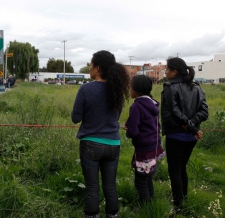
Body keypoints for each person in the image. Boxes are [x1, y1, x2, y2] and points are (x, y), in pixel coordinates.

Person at [71, 50, 130, 218]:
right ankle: (113, 215)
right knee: (110, 186)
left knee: (92, 187)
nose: (89, 68)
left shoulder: (86, 89)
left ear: (97, 68)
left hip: (90, 144)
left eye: (90, 65)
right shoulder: (116, 90)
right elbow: (116, 117)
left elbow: (76, 118)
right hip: (113, 145)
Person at [161, 57, 208, 215]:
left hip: (176, 135)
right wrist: (193, 125)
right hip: (190, 138)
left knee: (174, 170)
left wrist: (189, 125)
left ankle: (178, 206)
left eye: (167, 69)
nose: (165, 72)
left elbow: (173, 112)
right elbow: (204, 111)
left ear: (174, 71)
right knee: (182, 168)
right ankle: (184, 200)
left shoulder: (170, 87)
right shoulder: (197, 87)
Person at [124, 75, 165, 205]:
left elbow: (134, 131)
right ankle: (150, 204)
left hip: (143, 150)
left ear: (137, 90)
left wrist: (129, 131)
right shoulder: (153, 104)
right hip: (154, 148)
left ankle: (145, 207)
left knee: (140, 181)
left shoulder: (136, 106)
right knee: (148, 179)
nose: (130, 90)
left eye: (131, 88)